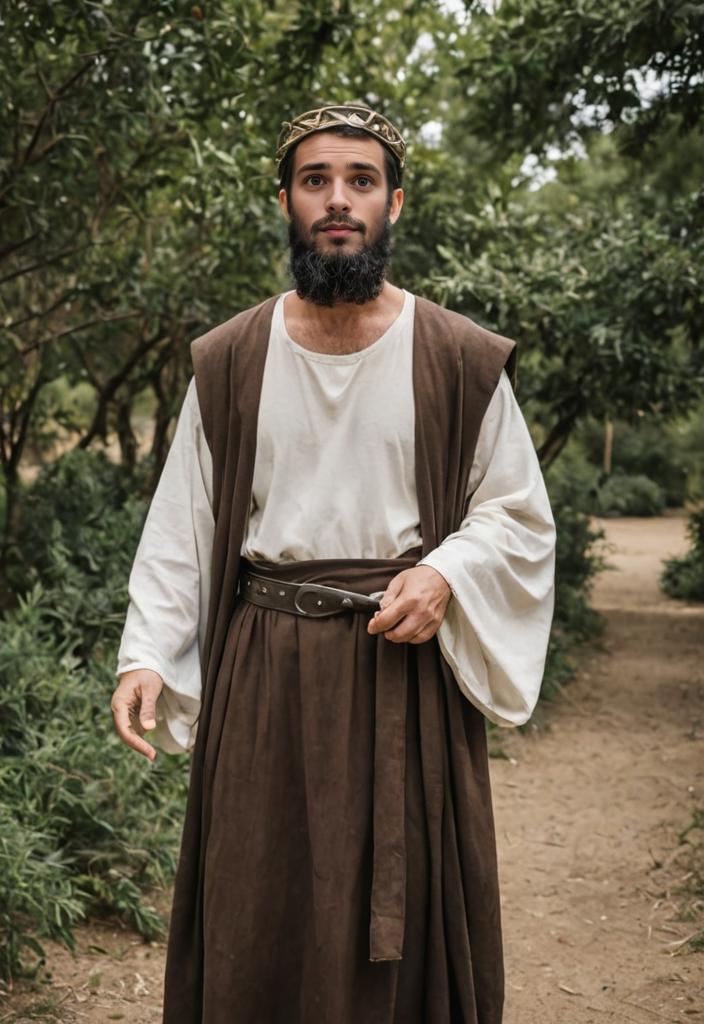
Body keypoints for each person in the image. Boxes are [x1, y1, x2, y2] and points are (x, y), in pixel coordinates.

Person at [110, 102, 556, 1024]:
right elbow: (183, 523)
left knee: (407, 918)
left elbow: (516, 515)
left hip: (404, 673)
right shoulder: (231, 359)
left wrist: (448, 574)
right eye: (317, 182)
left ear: (396, 201)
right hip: (264, 674)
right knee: (256, 901)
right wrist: (147, 651)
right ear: (286, 202)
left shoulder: (459, 359)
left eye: (360, 181)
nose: (338, 201)